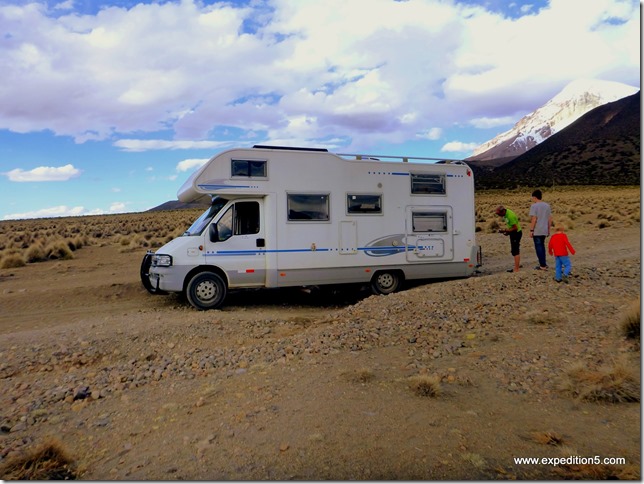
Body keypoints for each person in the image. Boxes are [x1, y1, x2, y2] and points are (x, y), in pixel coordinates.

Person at [529, 189, 552, 271]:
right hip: (544, 229)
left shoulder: (534, 206)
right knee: (542, 246)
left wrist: (531, 230)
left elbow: (534, 219)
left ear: (535, 197)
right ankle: (544, 263)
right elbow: (549, 219)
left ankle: (542, 265)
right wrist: (549, 229)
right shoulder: (547, 206)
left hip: (537, 230)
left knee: (538, 247)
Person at [495, 205, 522, 273]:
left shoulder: (510, 216)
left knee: (515, 251)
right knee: (513, 251)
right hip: (513, 233)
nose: (499, 216)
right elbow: (511, 226)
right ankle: (516, 266)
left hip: (516, 233)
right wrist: (507, 232)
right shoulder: (505, 215)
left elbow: (515, 228)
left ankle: (516, 269)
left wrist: (506, 230)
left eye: (499, 214)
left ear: (503, 211)